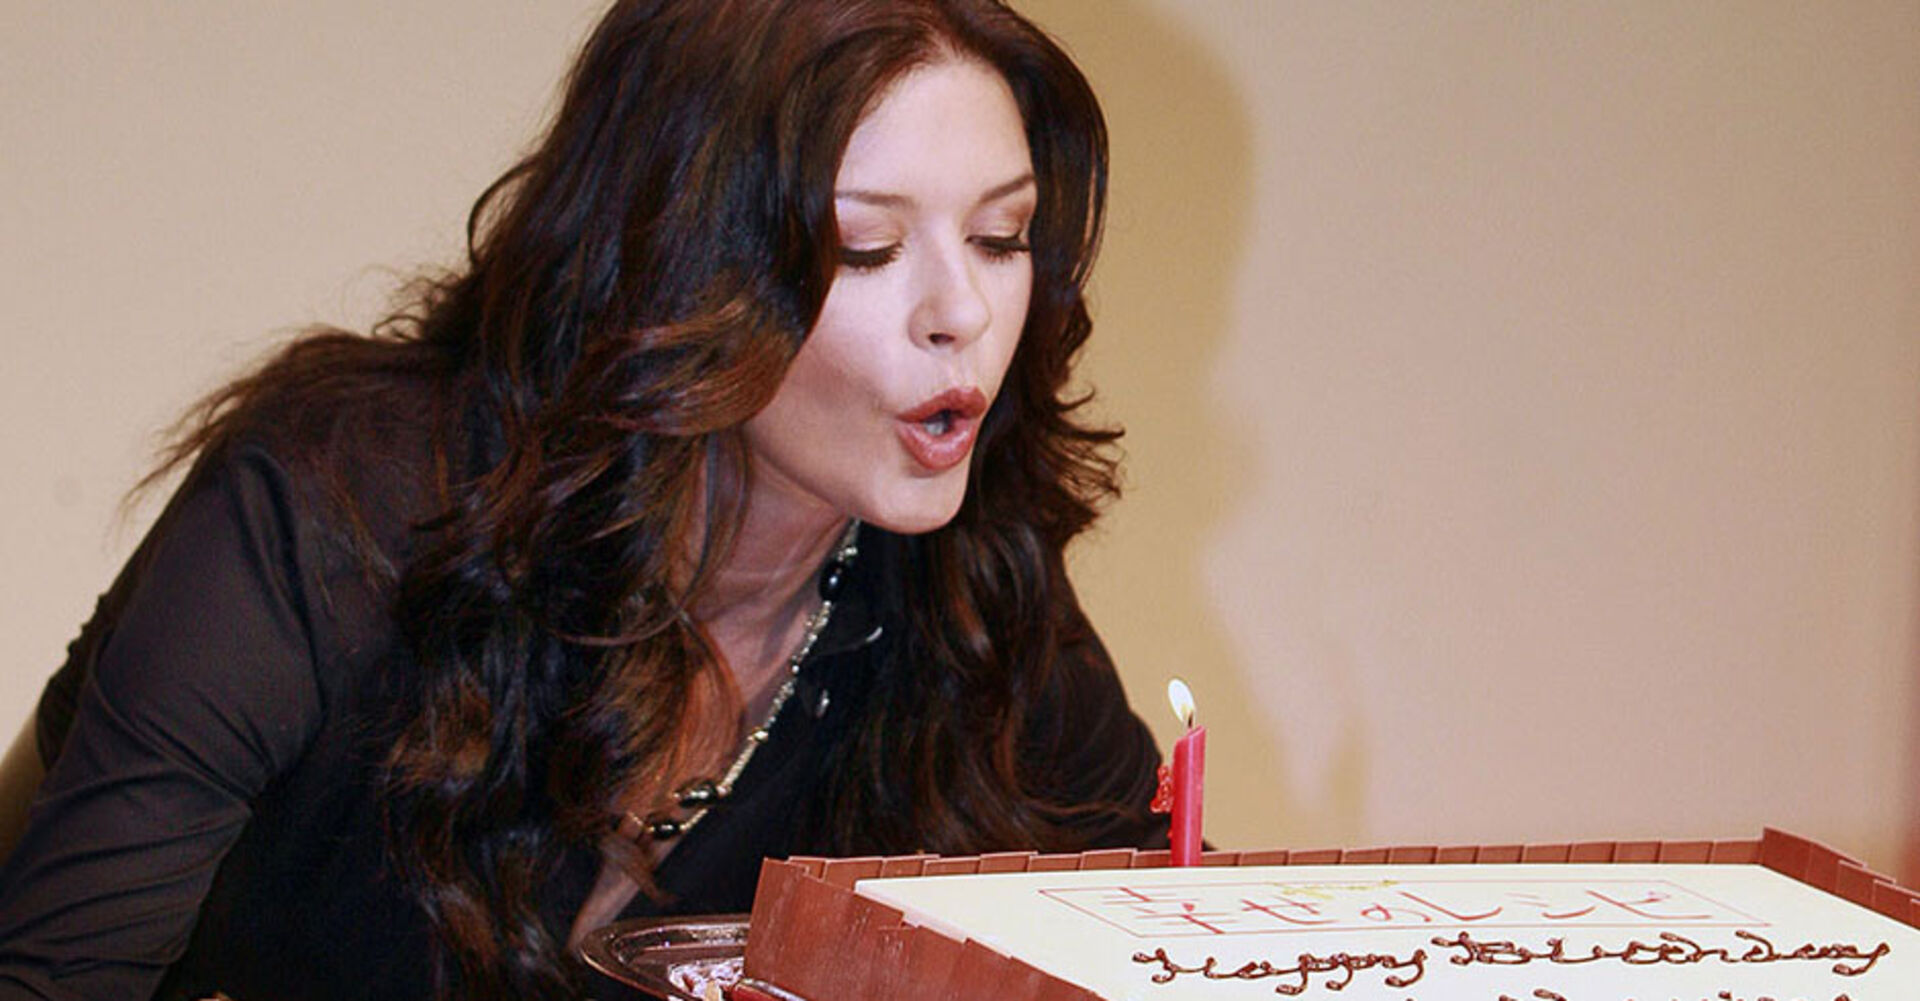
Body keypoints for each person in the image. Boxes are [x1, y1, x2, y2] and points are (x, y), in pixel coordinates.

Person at [0, 1, 1164, 998]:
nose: (963, 312)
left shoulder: (972, 602)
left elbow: (1180, 932)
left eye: (1002, 236)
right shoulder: (335, 512)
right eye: (867, 249)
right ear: (680, 258)